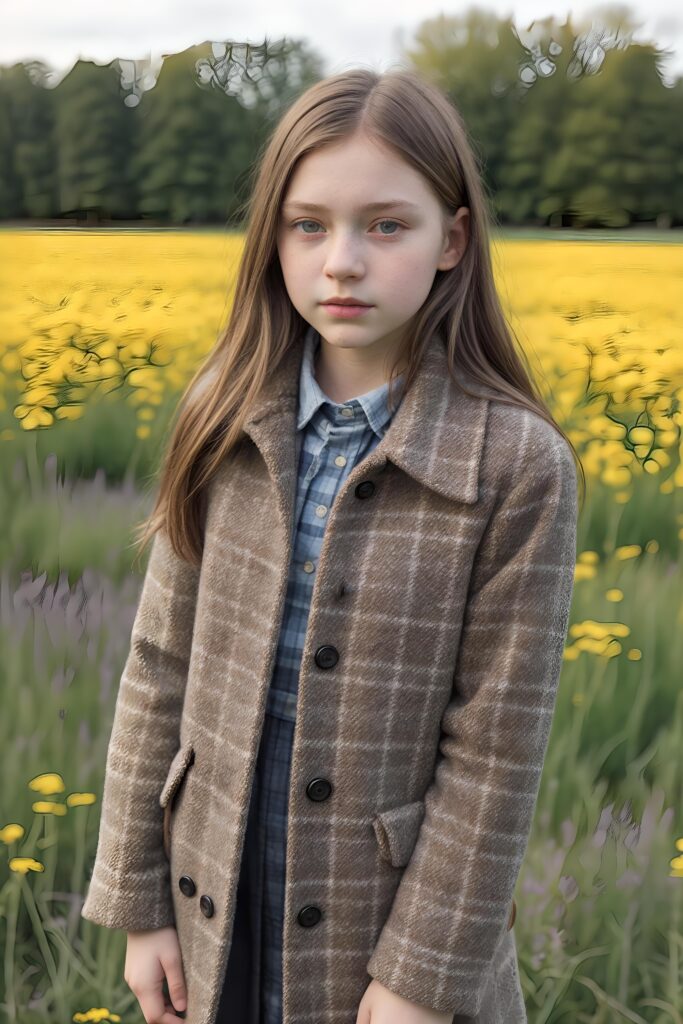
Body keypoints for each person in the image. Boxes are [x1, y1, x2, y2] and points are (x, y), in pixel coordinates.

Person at [80, 65, 583, 1024]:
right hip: (209, 898)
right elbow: (158, 666)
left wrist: (417, 982)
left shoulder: (515, 465)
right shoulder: (222, 412)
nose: (340, 261)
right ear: (272, 237)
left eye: (385, 225)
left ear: (453, 240)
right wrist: (138, 901)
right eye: (307, 225)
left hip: (387, 930)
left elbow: (494, 757)